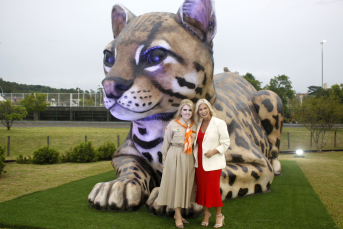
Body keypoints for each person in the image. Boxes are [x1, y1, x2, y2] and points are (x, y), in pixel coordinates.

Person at [157, 99, 197, 229]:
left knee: (185, 183)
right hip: (174, 154)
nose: (187, 112)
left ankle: (179, 213)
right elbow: (166, 143)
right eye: (185, 109)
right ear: (180, 111)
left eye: (190, 110)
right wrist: (164, 160)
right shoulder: (173, 124)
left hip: (189, 156)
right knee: (176, 184)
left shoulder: (194, 125)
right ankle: (178, 215)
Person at [193, 99, 230, 228]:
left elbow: (226, 143)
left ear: (209, 108)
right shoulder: (198, 124)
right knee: (202, 190)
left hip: (213, 163)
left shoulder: (219, 123)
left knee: (213, 190)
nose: (203, 111)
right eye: (200, 109)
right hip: (199, 163)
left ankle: (219, 215)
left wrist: (214, 151)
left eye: (205, 108)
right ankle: (206, 214)